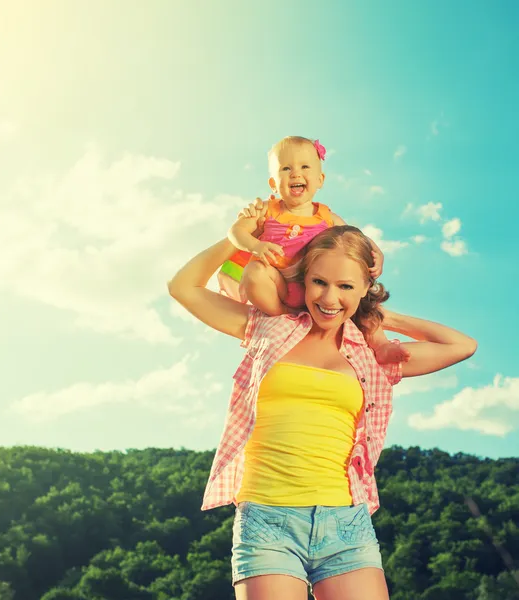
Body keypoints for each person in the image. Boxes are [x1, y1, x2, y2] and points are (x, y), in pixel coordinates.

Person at [168, 224, 477, 600]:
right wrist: (239, 237)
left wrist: (381, 316)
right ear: (303, 280)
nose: (330, 297)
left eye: (346, 286)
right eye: (319, 282)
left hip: (345, 524)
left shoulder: (371, 355)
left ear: (365, 288)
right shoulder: (268, 329)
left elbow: (462, 345)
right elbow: (183, 287)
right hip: (268, 522)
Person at [219, 135, 401, 365]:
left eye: (305, 166)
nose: (295, 173)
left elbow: (358, 240)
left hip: (314, 289)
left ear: (320, 179)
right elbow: (235, 232)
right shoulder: (268, 210)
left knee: (364, 305)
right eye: (286, 168)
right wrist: (255, 245)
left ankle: (382, 345)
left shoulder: (326, 216)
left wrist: (378, 254)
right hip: (280, 287)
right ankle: (283, 318)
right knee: (254, 272)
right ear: (273, 184)